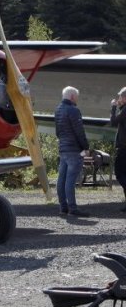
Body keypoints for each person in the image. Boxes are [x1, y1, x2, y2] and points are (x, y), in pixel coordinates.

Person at [54, 86, 90, 217]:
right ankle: (73, 209)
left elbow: (58, 131)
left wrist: (63, 142)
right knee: (70, 181)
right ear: (72, 97)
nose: (77, 100)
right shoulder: (74, 110)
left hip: (63, 149)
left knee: (61, 180)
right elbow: (79, 131)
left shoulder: (58, 110)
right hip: (74, 150)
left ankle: (63, 208)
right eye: (77, 97)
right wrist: (86, 147)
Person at [110, 87, 126, 211]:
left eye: (120, 97)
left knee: (119, 173)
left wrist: (113, 107)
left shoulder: (125, 110)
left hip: (124, 148)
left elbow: (114, 122)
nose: (118, 99)